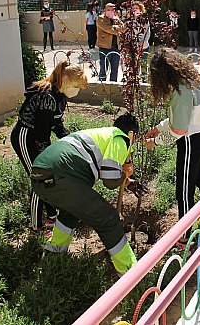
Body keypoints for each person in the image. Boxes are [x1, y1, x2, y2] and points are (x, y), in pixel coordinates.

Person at [30, 113, 139, 276]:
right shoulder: (120, 138)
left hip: (40, 176)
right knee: (107, 217)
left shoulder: (102, 133)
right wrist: (124, 173)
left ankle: (54, 254)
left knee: (71, 213)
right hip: (61, 178)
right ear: (132, 134)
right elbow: (109, 180)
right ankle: (130, 271)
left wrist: (127, 182)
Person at [143, 47, 200, 250]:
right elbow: (182, 118)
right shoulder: (190, 81)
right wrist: (158, 128)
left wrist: (155, 142)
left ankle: (184, 236)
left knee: (183, 190)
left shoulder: (181, 92)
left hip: (191, 141)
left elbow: (180, 129)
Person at [11, 60, 88, 233]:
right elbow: (41, 134)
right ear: (67, 81)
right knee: (39, 179)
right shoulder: (47, 96)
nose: (77, 91)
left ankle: (51, 215)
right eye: (77, 86)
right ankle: (36, 227)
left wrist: (72, 141)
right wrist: (50, 158)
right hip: (26, 137)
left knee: (48, 178)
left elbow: (56, 124)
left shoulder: (60, 95)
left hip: (38, 136)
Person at [97, 3, 123, 82]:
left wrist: (115, 28)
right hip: (105, 47)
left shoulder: (116, 19)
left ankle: (113, 86)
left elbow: (123, 28)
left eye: (112, 10)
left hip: (116, 47)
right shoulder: (100, 18)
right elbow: (107, 29)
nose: (110, 11)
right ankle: (102, 86)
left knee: (114, 70)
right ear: (105, 10)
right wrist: (116, 29)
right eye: (108, 10)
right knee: (103, 70)